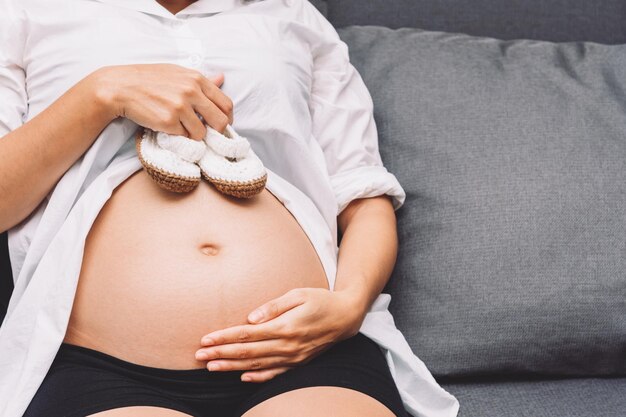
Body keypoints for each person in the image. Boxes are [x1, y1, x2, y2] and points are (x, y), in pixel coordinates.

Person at [0, 0, 460, 416]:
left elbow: (363, 195)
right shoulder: (25, 14)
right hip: (102, 365)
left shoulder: (292, 17)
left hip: (305, 355)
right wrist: (102, 94)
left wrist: (349, 304)